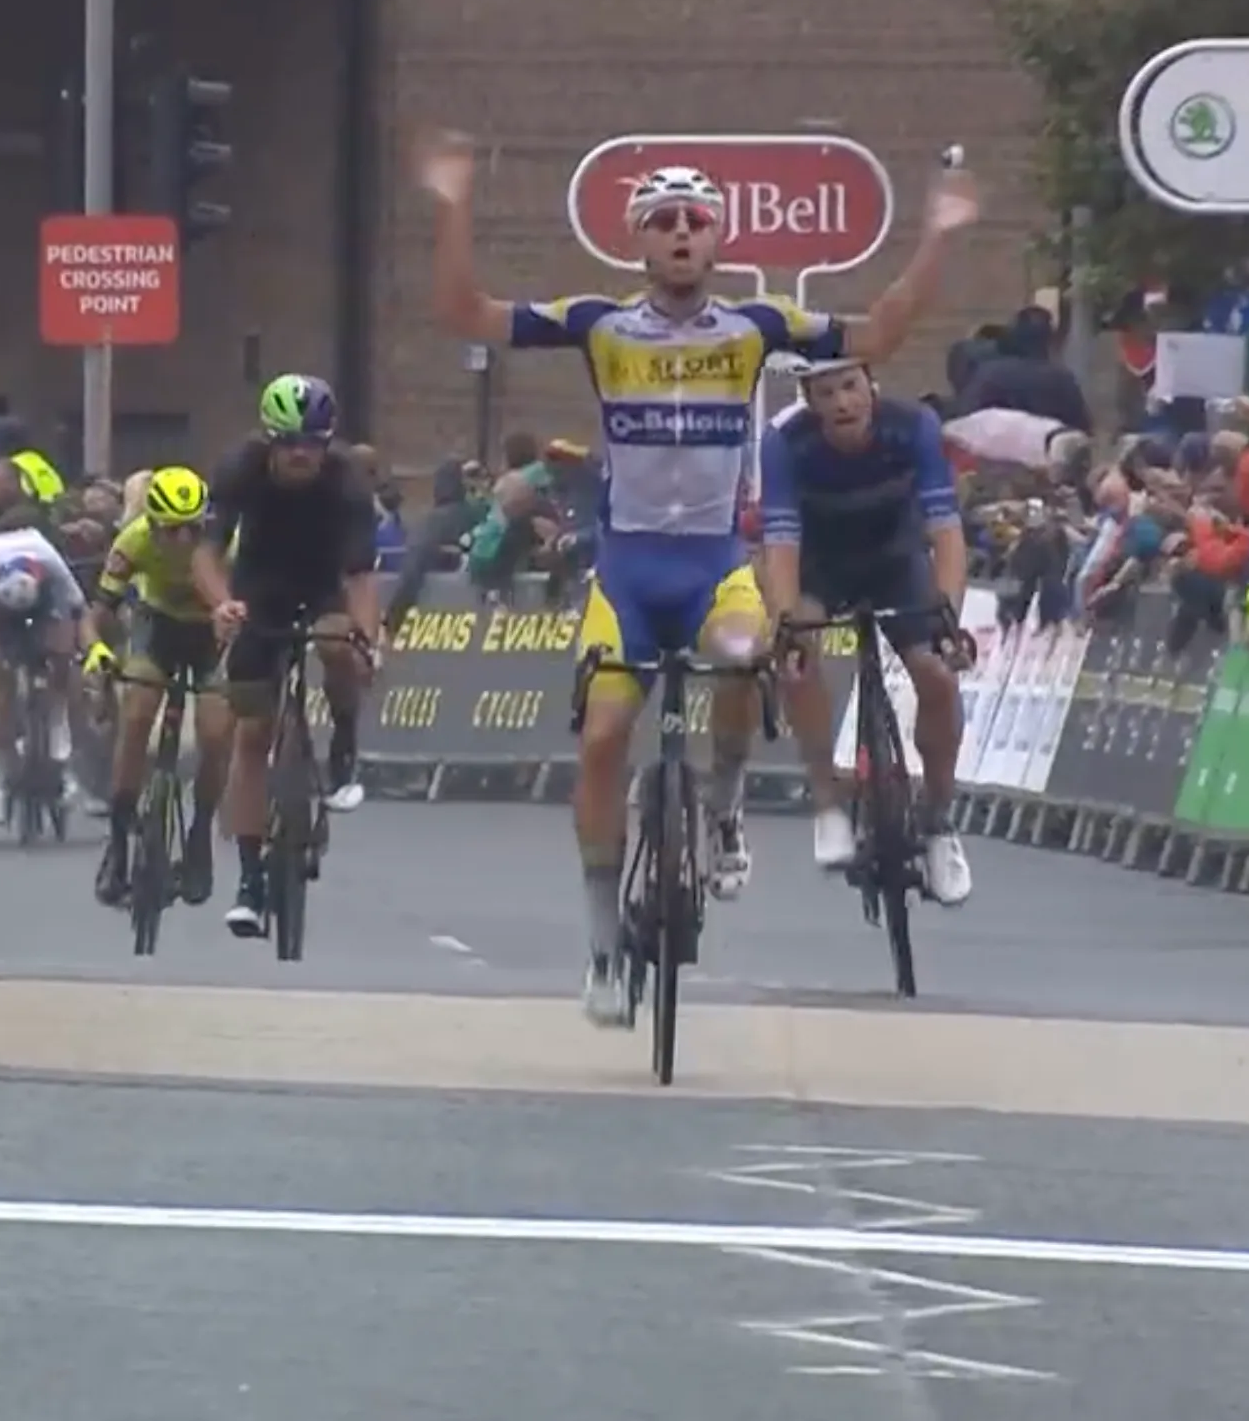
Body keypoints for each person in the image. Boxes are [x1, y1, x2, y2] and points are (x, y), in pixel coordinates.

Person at [413, 128, 975, 1028]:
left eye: (696, 221)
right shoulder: (601, 324)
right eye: (663, 221)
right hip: (629, 569)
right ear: (638, 242)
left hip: (714, 563)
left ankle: (721, 802)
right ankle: (602, 944)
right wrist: (452, 206)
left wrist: (939, 236)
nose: (681, 234)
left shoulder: (757, 328)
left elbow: (879, 333)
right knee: (601, 741)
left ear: (718, 242)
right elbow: (465, 313)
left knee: (753, 648)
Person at [756, 354, 978, 908]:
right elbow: (780, 542)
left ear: (871, 386)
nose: (842, 403)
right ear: (808, 400)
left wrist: (947, 615)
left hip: (894, 560)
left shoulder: (914, 427)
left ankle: (938, 821)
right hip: (819, 564)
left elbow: (946, 532)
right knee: (797, 652)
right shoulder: (785, 442)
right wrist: (785, 622)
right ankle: (827, 800)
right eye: (826, 394)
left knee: (937, 677)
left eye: (851, 388)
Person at [190, 375, 383, 939]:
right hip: (259, 588)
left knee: (336, 642)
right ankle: (250, 880)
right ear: (270, 442)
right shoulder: (239, 470)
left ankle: (344, 739)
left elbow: (361, 578)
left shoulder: (346, 483)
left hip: (322, 584)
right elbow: (206, 553)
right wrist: (222, 604)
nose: (302, 454)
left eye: (314, 443)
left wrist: (367, 639)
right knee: (252, 736)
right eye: (290, 443)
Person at [86, 465, 230, 908]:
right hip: (158, 628)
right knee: (136, 715)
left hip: (212, 635)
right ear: (151, 523)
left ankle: (200, 834)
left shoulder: (229, 544)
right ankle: (119, 844)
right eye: (172, 531)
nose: (184, 542)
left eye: (192, 530)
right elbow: (99, 610)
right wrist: (97, 650)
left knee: (215, 733)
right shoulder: (133, 541)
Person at [0, 504, 87, 825]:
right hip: (4, 610)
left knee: (63, 658)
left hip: (48, 604)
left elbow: (76, 610)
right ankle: (1, 781)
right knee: (2, 684)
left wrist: (67, 654)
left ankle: (57, 721)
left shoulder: (50, 561)